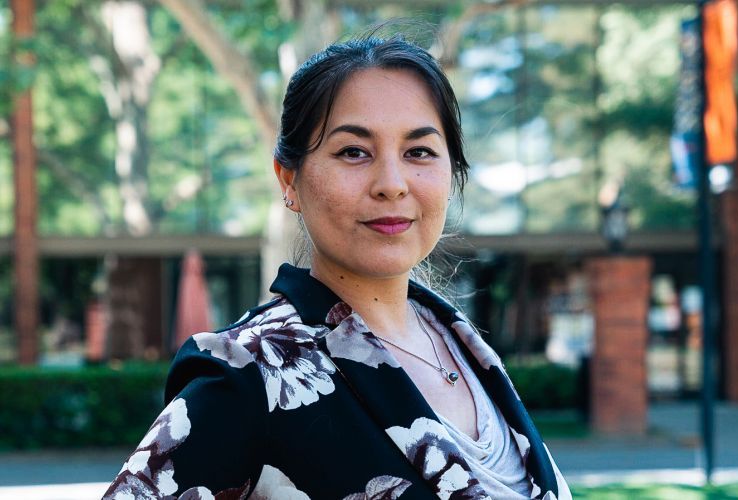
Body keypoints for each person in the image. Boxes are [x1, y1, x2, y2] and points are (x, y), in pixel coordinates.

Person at [104, 33, 571, 500]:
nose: (392, 184)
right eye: (353, 151)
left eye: (419, 152)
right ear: (289, 179)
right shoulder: (250, 373)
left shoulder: (462, 345)